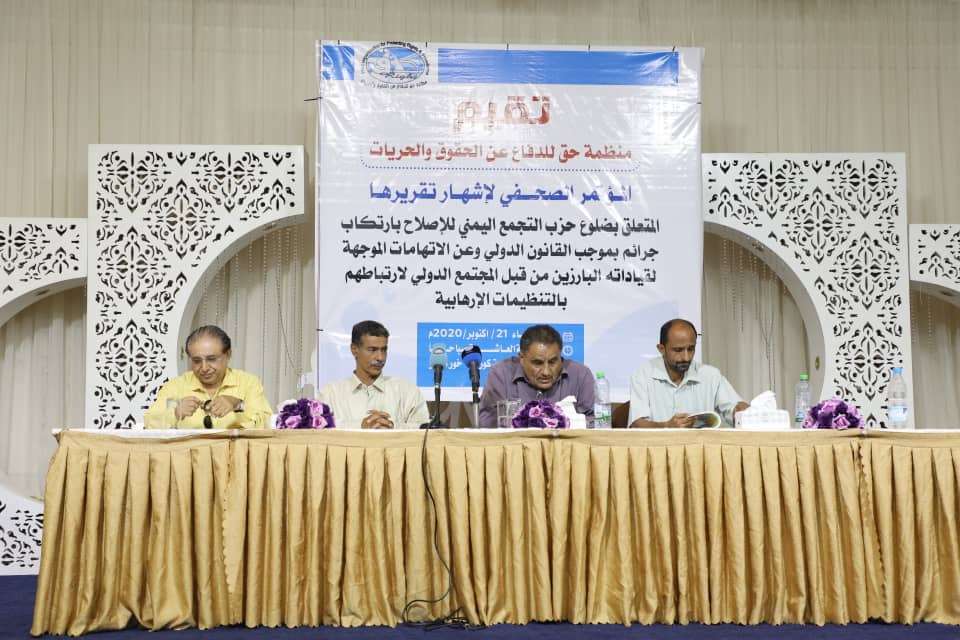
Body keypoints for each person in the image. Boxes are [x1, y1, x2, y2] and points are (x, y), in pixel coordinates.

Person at [144, 325, 272, 429]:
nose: (204, 368)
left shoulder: (248, 383)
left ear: (228, 354)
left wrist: (238, 405)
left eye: (211, 359)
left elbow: (266, 424)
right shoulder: (176, 386)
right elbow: (149, 423)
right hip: (189, 452)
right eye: (196, 361)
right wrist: (175, 413)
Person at [628, 319, 749, 428]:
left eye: (691, 349)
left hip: (701, 445)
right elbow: (637, 424)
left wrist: (741, 412)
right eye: (678, 350)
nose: (686, 357)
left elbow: (734, 408)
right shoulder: (643, 375)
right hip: (658, 445)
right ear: (661, 349)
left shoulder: (711, 375)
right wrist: (666, 426)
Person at [318, 320, 429, 429]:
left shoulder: (407, 391)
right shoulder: (330, 393)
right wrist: (360, 426)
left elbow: (424, 430)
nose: (380, 357)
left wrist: (392, 426)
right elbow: (319, 430)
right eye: (372, 350)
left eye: (383, 350)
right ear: (354, 349)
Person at [478, 324, 595, 427]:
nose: (546, 372)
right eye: (538, 363)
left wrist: (564, 422)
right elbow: (488, 424)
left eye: (553, 362)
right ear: (522, 358)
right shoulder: (501, 375)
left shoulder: (580, 375)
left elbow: (594, 423)